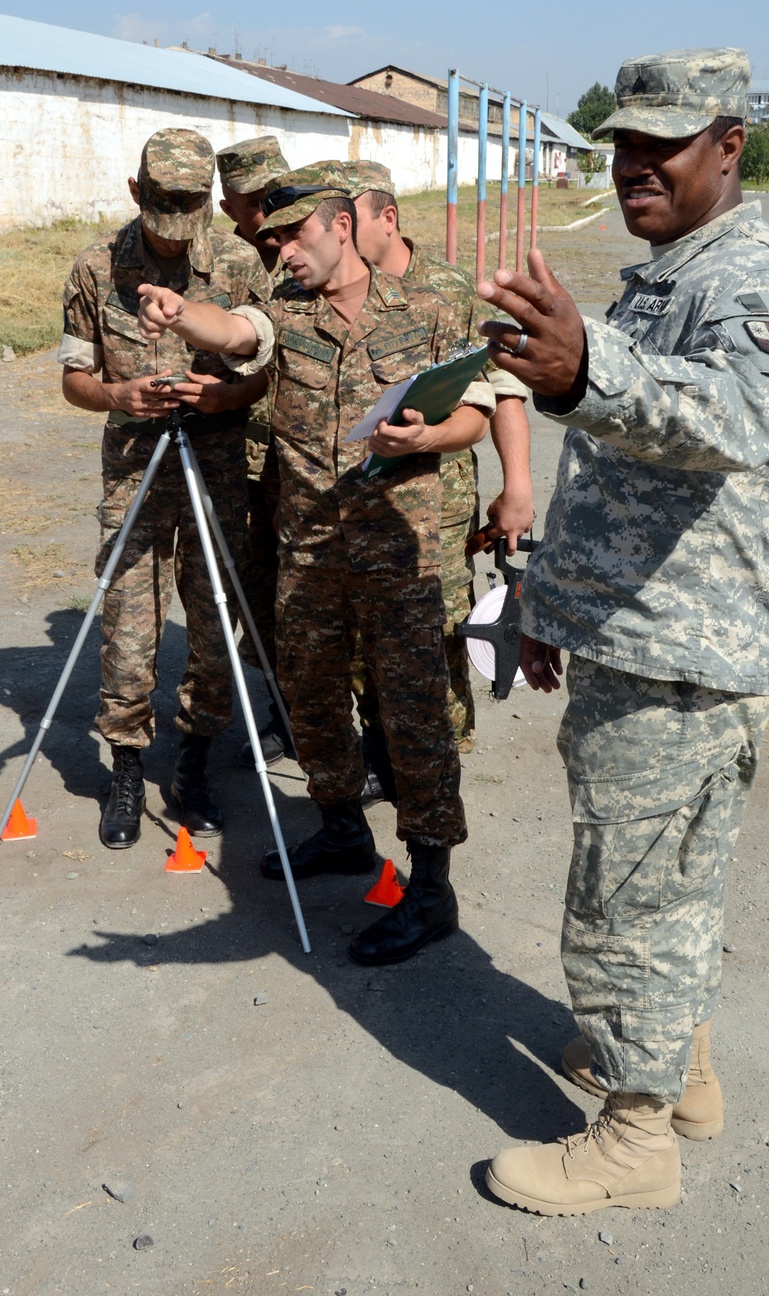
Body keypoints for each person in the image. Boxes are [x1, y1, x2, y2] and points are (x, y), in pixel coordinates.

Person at [475, 48, 769, 1215]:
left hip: (685, 649)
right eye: (620, 144)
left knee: (626, 893)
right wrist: (557, 599)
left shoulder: (756, 274)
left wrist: (586, 368)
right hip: (640, 630)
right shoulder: (671, 271)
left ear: (730, 144)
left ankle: (631, 1140)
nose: (631, 167)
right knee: (671, 880)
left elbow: (738, 416)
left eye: (660, 145)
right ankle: (682, 1075)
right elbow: (625, 469)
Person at [137, 162, 497, 965]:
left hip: (399, 559)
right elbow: (235, 333)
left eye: (294, 234)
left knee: (414, 720)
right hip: (308, 554)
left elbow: (477, 409)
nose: (282, 250)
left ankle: (431, 887)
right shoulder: (283, 312)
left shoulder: (433, 306)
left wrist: (425, 439)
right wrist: (179, 314)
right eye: (272, 237)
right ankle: (341, 832)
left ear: (342, 226)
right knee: (314, 705)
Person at [59, 128, 271, 848]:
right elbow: (73, 380)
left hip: (217, 470)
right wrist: (119, 393)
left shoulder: (241, 263)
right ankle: (124, 767)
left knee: (214, 628)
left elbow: (268, 370)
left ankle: (195, 763)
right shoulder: (96, 268)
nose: (177, 237)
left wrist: (224, 398)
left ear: (211, 202)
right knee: (127, 629)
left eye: (192, 215)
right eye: (162, 216)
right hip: (135, 473)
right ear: (134, 194)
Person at [344, 159, 534, 794]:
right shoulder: (342, 292)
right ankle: (381, 758)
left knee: (441, 630)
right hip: (363, 501)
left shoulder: (451, 291)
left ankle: (438, 768)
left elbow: (505, 393)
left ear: (387, 218)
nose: (338, 235)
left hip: (442, 500)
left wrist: (518, 489)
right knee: (366, 635)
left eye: (352, 220)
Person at [215, 135, 296, 765]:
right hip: (243, 452)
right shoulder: (220, 264)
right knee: (257, 584)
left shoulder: (310, 248)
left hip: (300, 450)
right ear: (227, 207)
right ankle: (281, 712)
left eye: (277, 194)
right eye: (254, 202)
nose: (268, 212)